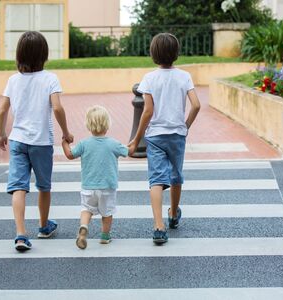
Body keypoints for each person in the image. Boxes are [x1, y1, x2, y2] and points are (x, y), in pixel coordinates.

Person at [0, 31, 74, 252]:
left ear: (19, 54)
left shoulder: (13, 80)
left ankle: (21, 234)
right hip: (41, 142)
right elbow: (58, 107)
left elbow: (3, 109)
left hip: (18, 140)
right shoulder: (50, 78)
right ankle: (43, 226)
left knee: (18, 187)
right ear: (44, 55)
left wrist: (3, 133)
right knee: (44, 186)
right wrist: (66, 133)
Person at [128, 33, 201, 245]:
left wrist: (136, 137)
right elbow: (196, 105)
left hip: (155, 136)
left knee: (156, 180)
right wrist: (185, 126)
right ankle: (173, 213)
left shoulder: (149, 78)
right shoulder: (184, 76)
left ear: (153, 54)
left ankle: (159, 227)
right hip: (177, 135)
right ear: (176, 53)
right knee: (176, 175)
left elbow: (148, 111)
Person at [62, 105, 128, 249]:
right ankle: (104, 236)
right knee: (107, 213)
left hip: (88, 187)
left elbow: (69, 155)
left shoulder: (84, 144)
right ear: (107, 124)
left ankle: (84, 227)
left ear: (88, 125)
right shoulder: (113, 143)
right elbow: (128, 151)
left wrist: (64, 143)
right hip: (107, 187)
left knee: (86, 209)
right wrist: (135, 141)